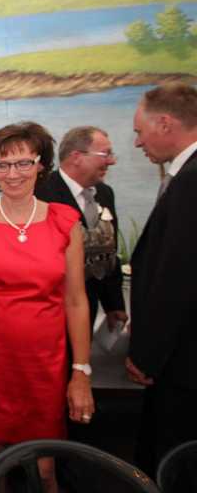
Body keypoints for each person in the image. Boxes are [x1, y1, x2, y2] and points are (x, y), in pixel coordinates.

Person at [0, 122, 94, 493]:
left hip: (44, 362)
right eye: (3, 164)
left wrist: (80, 371)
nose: (12, 173)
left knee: (45, 467)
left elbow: (76, 300)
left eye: (23, 163)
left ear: (40, 165)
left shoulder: (64, 221)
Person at [127, 82, 197, 479]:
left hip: (184, 361)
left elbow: (177, 278)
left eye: (140, 131)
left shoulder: (190, 181)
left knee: (173, 461)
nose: (137, 142)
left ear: (166, 124)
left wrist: (147, 354)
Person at [36, 126, 128, 333]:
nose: (112, 161)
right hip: (49, 314)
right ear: (76, 157)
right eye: (105, 154)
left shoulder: (105, 193)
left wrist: (114, 304)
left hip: (88, 311)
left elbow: (108, 253)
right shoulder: (40, 194)